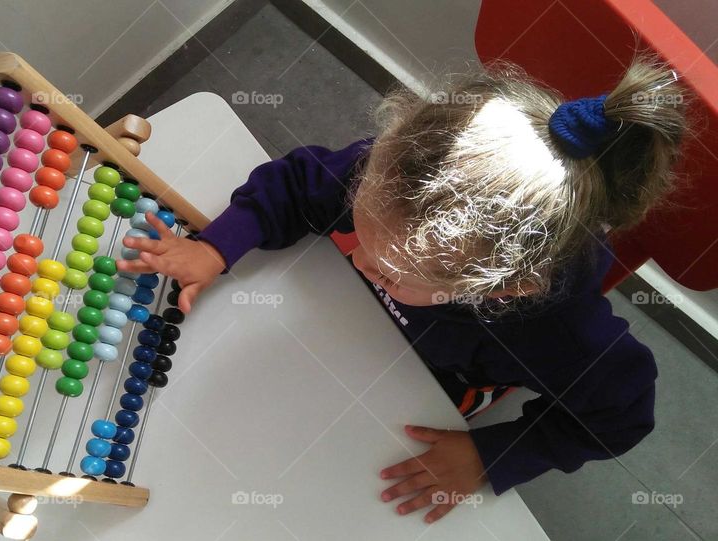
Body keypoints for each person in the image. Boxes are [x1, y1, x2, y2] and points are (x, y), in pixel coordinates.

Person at [117, 55, 688, 523]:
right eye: (358, 229)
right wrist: (218, 246)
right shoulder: (393, 181)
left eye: (392, 273)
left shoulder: (561, 335)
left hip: (441, 383)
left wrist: (492, 455)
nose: (361, 262)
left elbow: (621, 416)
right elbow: (296, 185)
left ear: (504, 290)